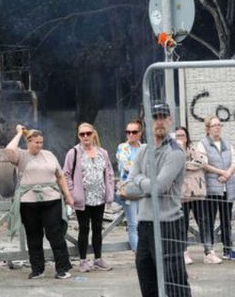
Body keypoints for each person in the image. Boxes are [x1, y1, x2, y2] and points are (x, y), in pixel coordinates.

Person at [120, 101, 191, 297]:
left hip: (168, 225)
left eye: (163, 117)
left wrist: (140, 180)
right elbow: (127, 188)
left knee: (175, 284)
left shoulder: (175, 153)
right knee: (147, 281)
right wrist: (148, 185)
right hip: (145, 225)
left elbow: (159, 187)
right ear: (146, 121)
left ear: (170, 120)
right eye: (155, 117)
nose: (159, 122)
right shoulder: (143, 150)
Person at [5, 125, 74, 280]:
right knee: (34, 236)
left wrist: (68, 195)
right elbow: (9, 150)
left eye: (41, 142)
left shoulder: (49, 154)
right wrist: (18, 134)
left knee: (55, 234)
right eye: (36, 142)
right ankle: (37, 269)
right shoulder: (20, 156)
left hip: (52, 199)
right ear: (28, 142)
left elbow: (60, 176)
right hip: (29, 202)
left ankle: (62, 268)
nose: (39, 145)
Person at [63, 122, 115, 272]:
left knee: (98, 228)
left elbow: (109, 173)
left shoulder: (102, 152)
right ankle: (83, 260)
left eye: (88, 133)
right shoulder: (73, 153)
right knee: (84, 229)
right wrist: (71, 193)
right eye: (82, 134)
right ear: (78, 136)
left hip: (99, 197)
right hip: (83, 198)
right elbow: (66, 174)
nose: (85, 136)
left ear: (93, 134)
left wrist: (109, 190)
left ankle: (98, 259)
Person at [195, 116, 235, 261]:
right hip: (212, 187)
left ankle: (227, 249)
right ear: (208, 128)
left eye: (219, 125)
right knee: (210, 219)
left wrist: (228, 174)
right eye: (214, 125)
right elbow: (203, 164)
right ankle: (209, 250)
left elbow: (234, 161)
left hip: (227, 186)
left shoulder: (227, 143)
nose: (217, 127)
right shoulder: (203, 144)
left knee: (226, 219)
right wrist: (221, 172)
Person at [174, 126, 213, 265]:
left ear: (187, 137)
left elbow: (202, 162)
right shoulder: (172, 152)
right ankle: (184, 252)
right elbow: (176, 166)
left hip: (197, 193)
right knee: (182, 225)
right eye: (177, 136)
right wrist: (186, 164)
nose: (180, 138)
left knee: (203, 222)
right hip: (181, 195)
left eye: (182, 135)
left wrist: (185, 166)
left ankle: (209, 251)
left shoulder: (193, 149)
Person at [115, 119, 142, 252]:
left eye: (134, 132)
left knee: (144, 222)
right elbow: (126, 167)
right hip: (129, 190)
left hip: (143, 190)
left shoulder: (144, 148)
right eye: (128, 132)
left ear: (140, 133)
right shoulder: (122, 147)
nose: (131, 134)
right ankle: (138, 252)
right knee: (133, 223)